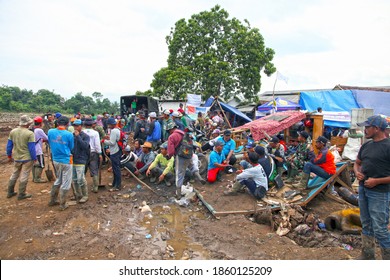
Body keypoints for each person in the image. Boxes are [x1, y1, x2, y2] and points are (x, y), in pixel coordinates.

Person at [354, 115, 390, 260]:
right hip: (364, 190)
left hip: (380, 193)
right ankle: (367, 256)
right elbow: (357, 163)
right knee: (366, 224)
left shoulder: (388, 146)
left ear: (377, 128)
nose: (365, 129)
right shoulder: (366, 145)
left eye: (367, 127)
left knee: (380, 228)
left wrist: (378, 181)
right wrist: (357, 173)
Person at [6, 115, 37, 200]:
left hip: (17, 157)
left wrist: (9, 155)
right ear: (28, 123)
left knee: (15, 173)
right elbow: (32, 148)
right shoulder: (30, 133)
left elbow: (9, 145)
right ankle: (22, 193)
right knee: (24, 175)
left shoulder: (13, 131)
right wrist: (34, 158)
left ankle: (10, 191)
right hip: (27, 158)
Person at [48, 116, 74, 210]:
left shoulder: (50, 132)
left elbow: (49, 142)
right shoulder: (69, 134)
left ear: (57, 123)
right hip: (66, 160)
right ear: (67, 124)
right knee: (66, 182)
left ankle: (53, 200)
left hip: (55, 159)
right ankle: (62, 204)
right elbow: (71, 147)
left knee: (59, 179)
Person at [166, 122, 193, 198]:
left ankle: (178, 194)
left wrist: (169, 156)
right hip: (188, 155)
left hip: (180, 156)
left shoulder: (172, 136)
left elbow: (171, 151)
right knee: (191, 167)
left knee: (179, 174)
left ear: (171, 129)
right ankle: (197, 175)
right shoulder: (184, 133)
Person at [71, 119, 90, 203]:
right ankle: (78, 194)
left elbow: (85, 146)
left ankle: (85, 195)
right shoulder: (71, 136)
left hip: (81, 159)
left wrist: (78, 136)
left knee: (80, 178)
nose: (75, 127)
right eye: (74, 125)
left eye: (77, 126)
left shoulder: (85, 136)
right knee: (74, 179)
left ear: (81, 126)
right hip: (73, 159)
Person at [83, 118, 102, 193]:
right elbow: (97, 144)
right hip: (93, 152)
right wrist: (100, 153)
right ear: (92, 125)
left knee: (83, 170)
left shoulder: (82, 132)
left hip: (84, 153)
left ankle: (82, 187)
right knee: (94, 169)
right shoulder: (95, 133)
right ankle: (95, 187)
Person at [103, 117, 122, 191]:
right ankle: (115, 183)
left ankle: (117, 186)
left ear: (111, 124)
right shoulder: (117, 130)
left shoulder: (114, 131)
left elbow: (112, 143)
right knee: (115, 168)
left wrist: (104, 141)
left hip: (115, 151)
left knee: (116, 169)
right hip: (117, 150)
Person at [31, 116, 49, 183]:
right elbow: (46, 138)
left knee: (34, 164)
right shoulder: (39, 130)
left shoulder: (32, 129)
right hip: (38, 150)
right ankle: (37, 178)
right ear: (40, 123)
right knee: (41, 164)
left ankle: (34, 177)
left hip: (32, 149)